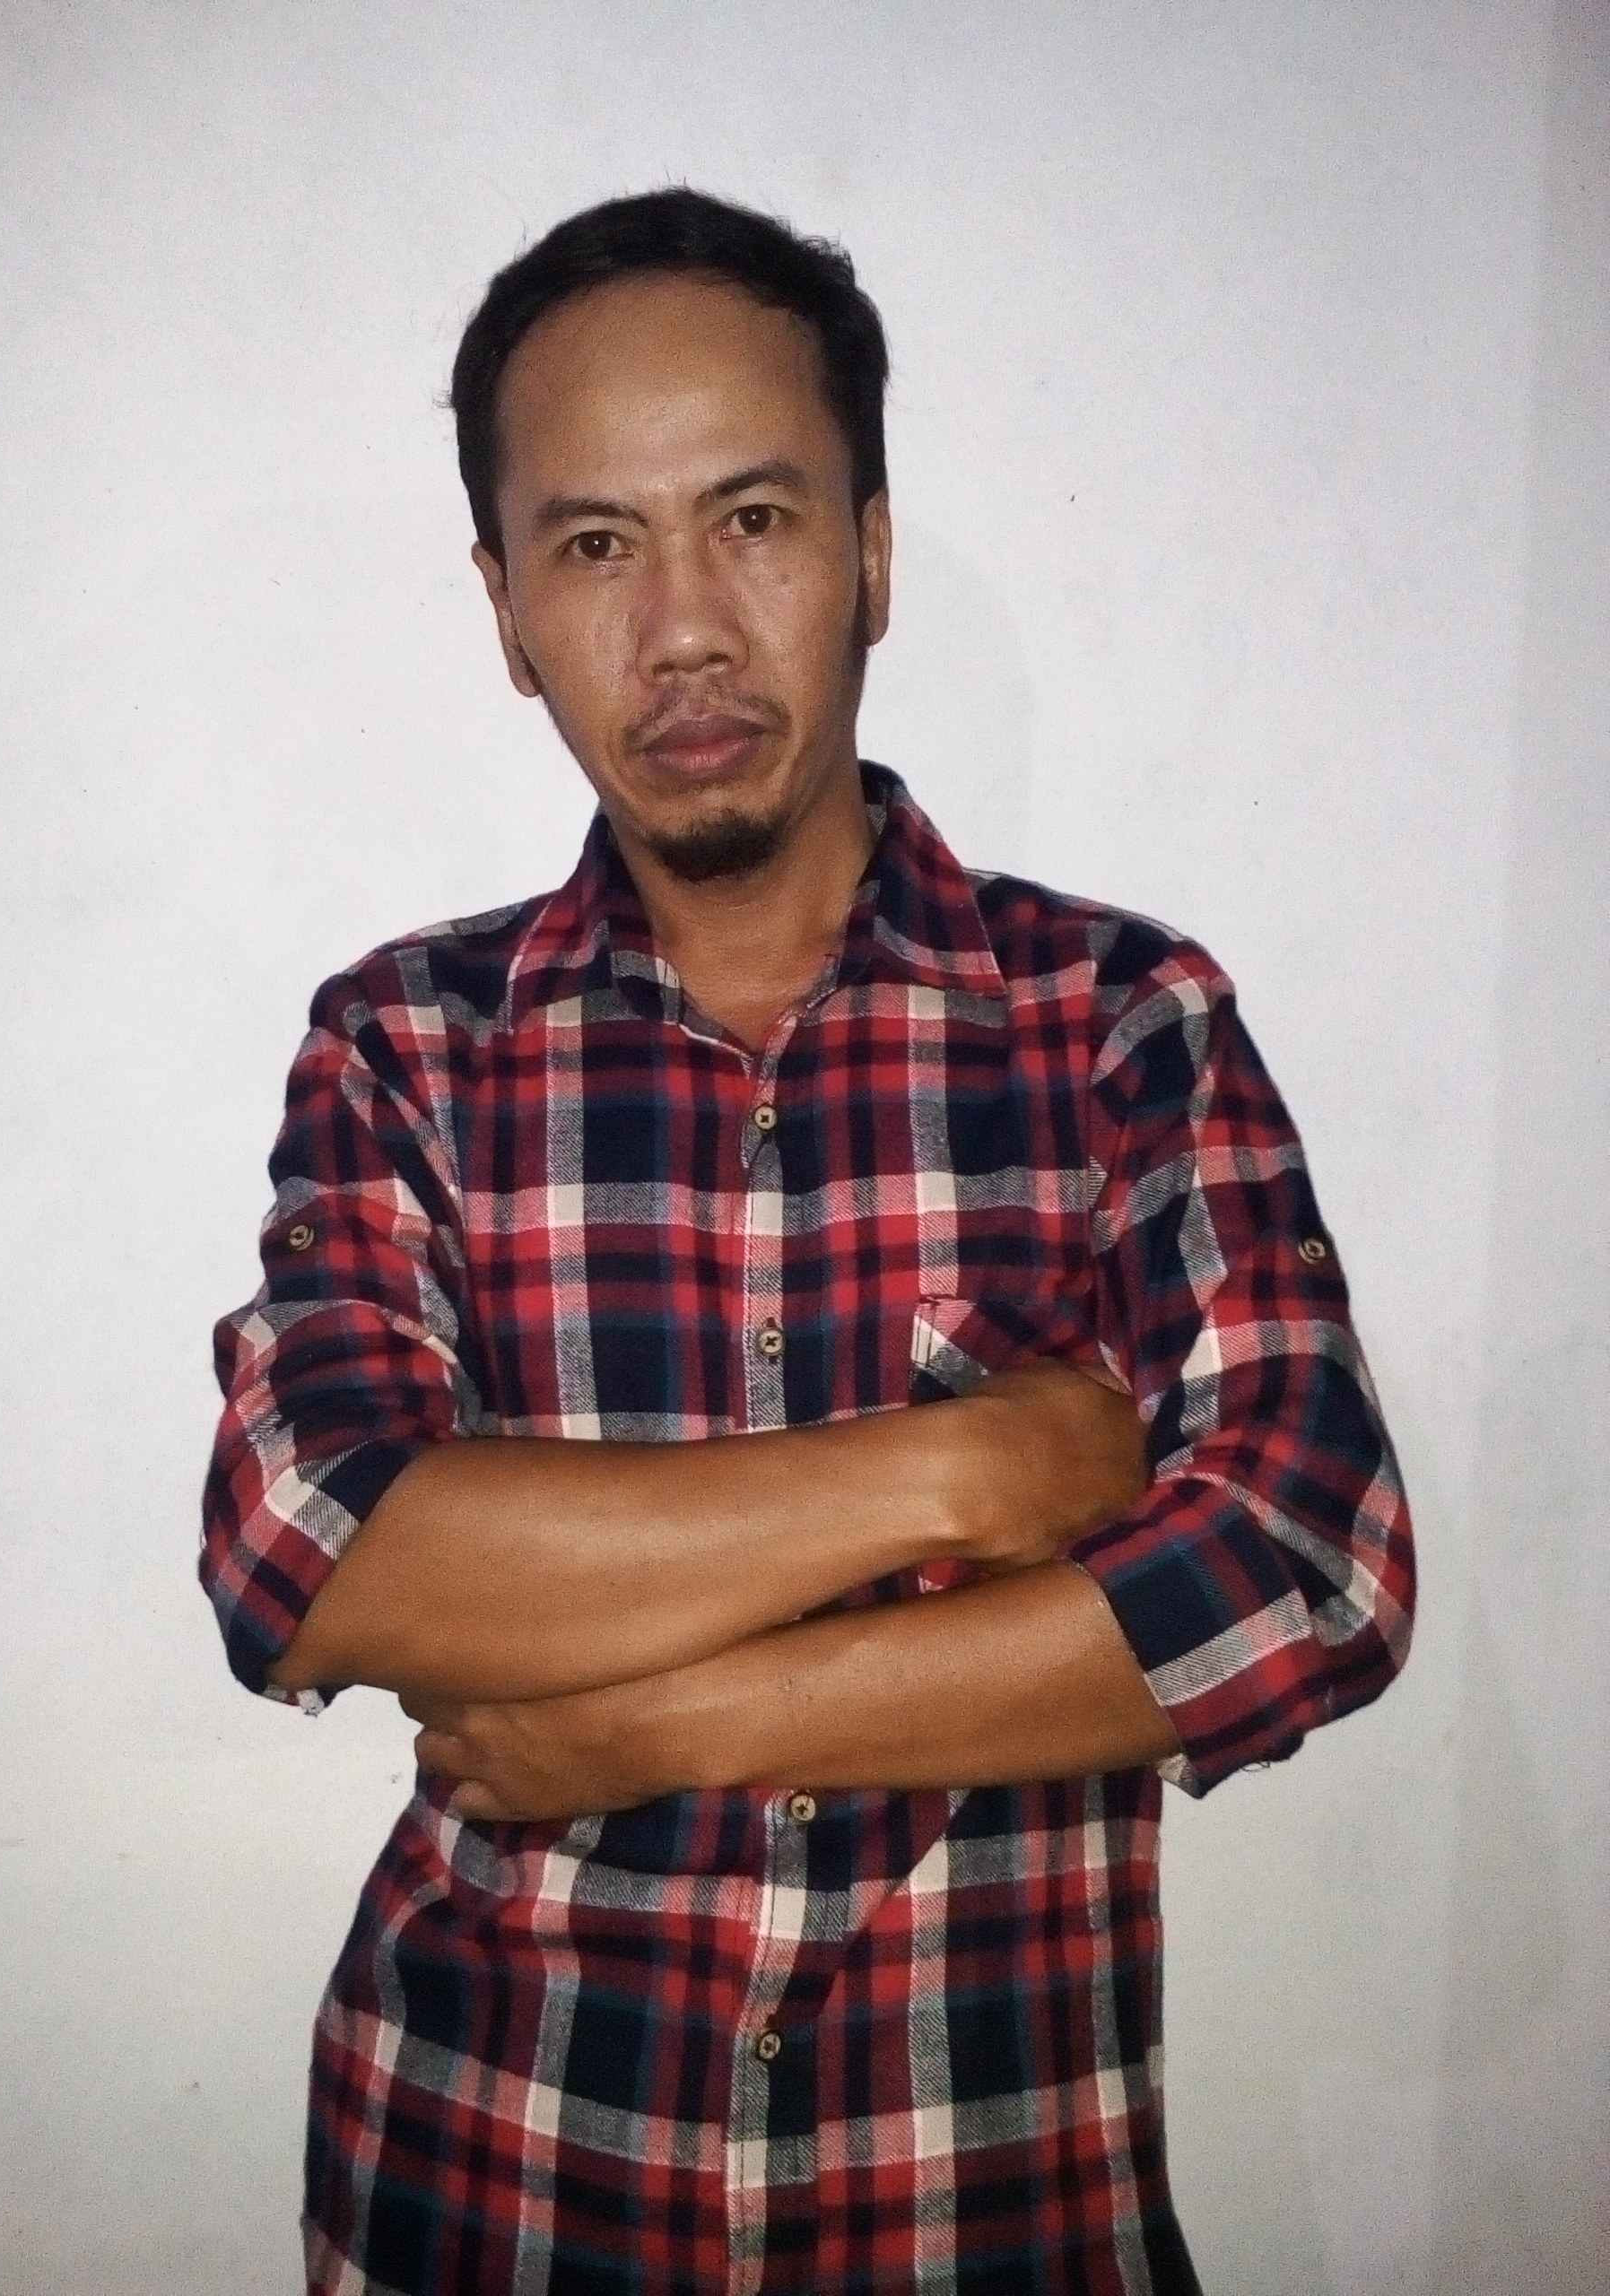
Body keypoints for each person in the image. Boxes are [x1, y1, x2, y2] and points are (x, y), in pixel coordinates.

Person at [202, 187, 1415, 2296]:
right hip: (495, 2189)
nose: (682, 628)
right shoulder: (411, 1045)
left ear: (870, 550)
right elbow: (310, 1551)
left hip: (989, 2207)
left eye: (752, 519)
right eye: (597, 544)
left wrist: (650, 1722)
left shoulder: (1117, 1024)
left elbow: (1311, 1570)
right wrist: (961, 1472)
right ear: (506, 610)